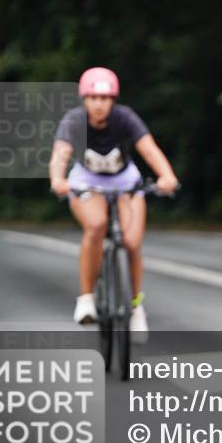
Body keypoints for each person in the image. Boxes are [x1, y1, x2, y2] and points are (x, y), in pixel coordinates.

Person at [49, 67, 179, 339]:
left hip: (124, 182)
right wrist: (58, 179)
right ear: (85, 99)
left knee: (132, 242)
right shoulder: (74, 120)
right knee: (96, 225)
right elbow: (61, 153)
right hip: (87, 181)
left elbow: (149, 149)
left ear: (113, 100)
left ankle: (136, 307)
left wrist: (166, 176)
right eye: (93, 98)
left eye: (105, 98)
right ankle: (86, 299)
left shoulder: (125, 118)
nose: (99, 104)